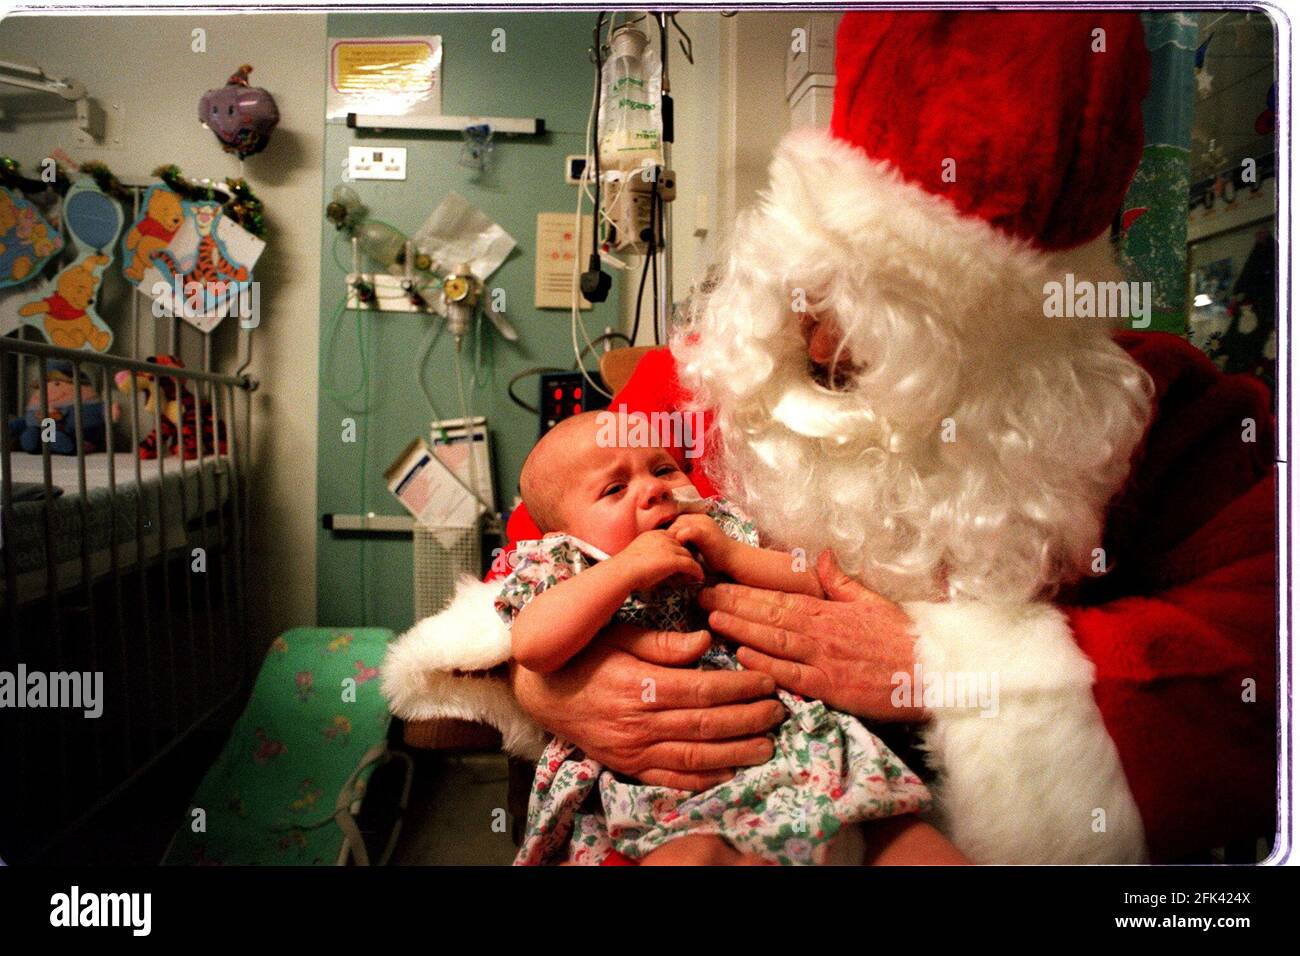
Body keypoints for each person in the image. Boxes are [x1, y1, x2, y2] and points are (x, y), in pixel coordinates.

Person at [382, 11, 1276, 864]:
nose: (811, 349)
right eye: (809, 288)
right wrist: (549, 688)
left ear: (1012, 338)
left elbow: (1264, 674)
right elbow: (507, 601)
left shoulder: (1162, 416)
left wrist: (947, 668)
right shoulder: (704, 381)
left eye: (881, 329)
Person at [500, 411, 963, 865]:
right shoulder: (566, 564)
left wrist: (734, 555)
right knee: (687, 856)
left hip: (799, 747)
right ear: (563, 532)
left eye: (664, 469)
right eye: (615, 489)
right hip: (670, 788)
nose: (655, 488)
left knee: (900, 834)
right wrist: (621, 571)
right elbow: (534, 647)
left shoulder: (720, 526)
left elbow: (813, 583)